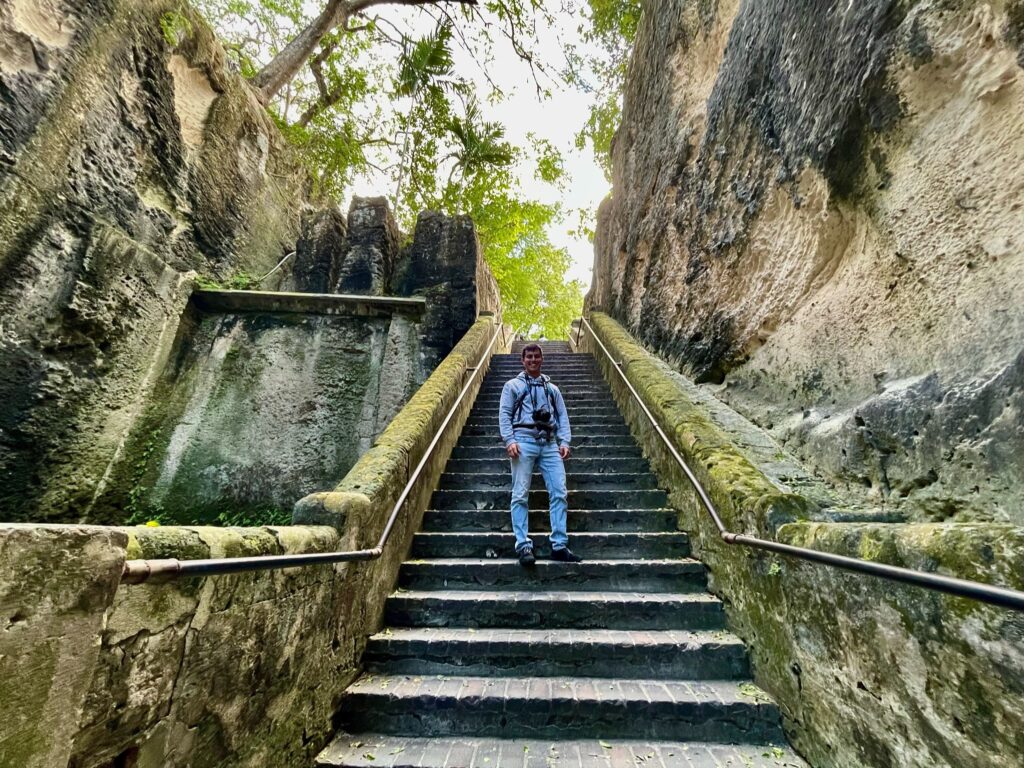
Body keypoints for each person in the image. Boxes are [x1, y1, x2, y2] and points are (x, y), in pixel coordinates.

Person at [498, 343, 582, 566]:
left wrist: (565, 441)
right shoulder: (512, 386)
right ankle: (523, 545)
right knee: (520, 493)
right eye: (529, 357)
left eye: (536, 356)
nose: (533, 360)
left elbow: (562, 417)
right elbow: (505, 414)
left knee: (559, 492)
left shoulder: (552, 389)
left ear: (542, 359)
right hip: (523, 441)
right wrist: (510, 440)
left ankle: (559, 545)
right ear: (522, 361)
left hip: (549, 443)